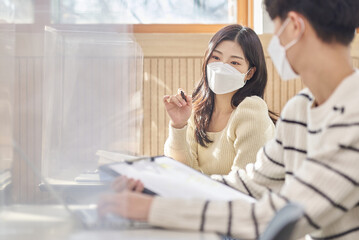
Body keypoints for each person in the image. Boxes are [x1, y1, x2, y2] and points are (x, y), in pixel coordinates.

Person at [97, 0, 359, 239]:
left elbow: (276, 217)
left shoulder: (354, 114)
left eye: (276, 30)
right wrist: (157, 188)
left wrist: (155, 209)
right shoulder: (299, 110)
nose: (275, 42)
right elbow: (249, 184)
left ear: (293, 27)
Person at [163, 24, 275, 175]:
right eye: (216, 57)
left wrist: (200, 183)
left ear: (250, 73)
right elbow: (179, 170)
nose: (222, 67)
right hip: (203, 196)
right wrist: (178, 124)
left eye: (234, 62)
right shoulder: (197, 111)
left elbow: (245, 182)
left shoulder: (252, 110)